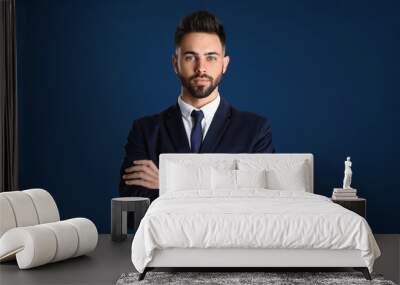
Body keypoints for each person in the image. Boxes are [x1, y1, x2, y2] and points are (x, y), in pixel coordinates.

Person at [119, 10, 275, 202]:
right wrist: (223, 186)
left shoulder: (255, 130)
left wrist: (169, 184)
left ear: (224, 64)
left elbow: (257, 200)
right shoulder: (145, 130)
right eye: (190, 57)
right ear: (175, 63)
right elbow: (132, 204)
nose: (201, 67)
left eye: (211, 57)